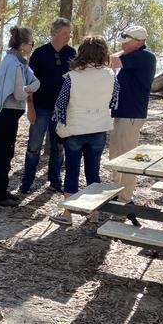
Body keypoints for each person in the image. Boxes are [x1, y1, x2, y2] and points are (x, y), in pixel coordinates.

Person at [49, 36, 119, 226]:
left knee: (72, 170)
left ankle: (67, 213)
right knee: (93, 172)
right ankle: (94, 212)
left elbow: (61, 105)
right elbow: (114, 100)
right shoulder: (111, 75)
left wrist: (59, 124)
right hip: (99, 128)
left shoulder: (73, 77)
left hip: (76, 128)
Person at [20, 18, 76, 194]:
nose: (68, 36)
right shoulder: (40, 53)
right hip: (41, 108)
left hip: (62, 110)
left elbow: (76, 81)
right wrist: (30, 108)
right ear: (55, 33)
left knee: (58, 147)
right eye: (65, 33)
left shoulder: (72, 53)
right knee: (34, 147)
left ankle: (55, 180)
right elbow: (29, 83)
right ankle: (27, 181)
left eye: (69, 33)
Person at [0, 26, 40, 207]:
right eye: (31, 43)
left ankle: (1, 190)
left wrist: (30, 86)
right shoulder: (15, 64)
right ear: (23, 44)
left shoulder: (17, 62)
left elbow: (34, 80)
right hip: (4, 115)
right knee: (3, 155)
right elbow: (19, 93)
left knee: (5, 154)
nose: (32, 46)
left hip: (7, 114)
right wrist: (30, 89)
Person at [108, 26, 157, 203]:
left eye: (127, 43)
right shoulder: (133, 55)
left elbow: (111, 61)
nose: (124, 46)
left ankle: (125, 197)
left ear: (139, 42)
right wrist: (126, 48)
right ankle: (115, 190)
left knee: (127, 156)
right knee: (115, 154)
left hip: (131, 115)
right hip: (121, 113)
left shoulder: (144, 56)